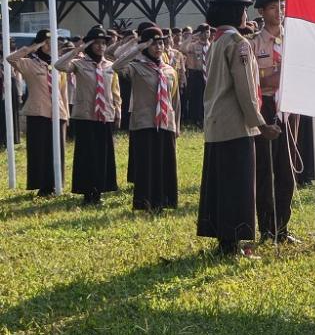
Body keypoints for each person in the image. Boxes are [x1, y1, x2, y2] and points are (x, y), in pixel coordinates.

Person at [196, 0, 281, 256]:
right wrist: (260, 123)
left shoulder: (217, 41)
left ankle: (224, 239)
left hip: (216, 123)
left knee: (221, 185)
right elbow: (245, 89)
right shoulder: (238, 44)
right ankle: (232, 242)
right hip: (235, 125)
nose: (246, 13)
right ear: (236, 12)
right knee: (237, 185)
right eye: (243, 8)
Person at [250, 0, 301, 244]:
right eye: (273, 8)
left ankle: (282, 227)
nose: (279, 12)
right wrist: (269, 77)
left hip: (289, 107)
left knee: (287, 168)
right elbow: (250, 79)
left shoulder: (292, 40)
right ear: (261, 11)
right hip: (266, 105)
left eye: (281, 7)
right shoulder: (253, 44)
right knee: (265, 167)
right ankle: (266, 227)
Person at [112, 26, 181, 213]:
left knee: (165, 163)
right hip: (144, 122)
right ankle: (146, 201)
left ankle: (165, 200)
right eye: (153, 44)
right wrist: (138, 47)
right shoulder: (135, 67)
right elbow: (116, 66)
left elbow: (175, 100)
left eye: (161, 43)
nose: (158, 47)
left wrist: (177, 124)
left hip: (166, 122)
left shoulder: (169, 70)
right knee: (147, 164)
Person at [55, 27, 121, 205]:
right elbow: (59, 65)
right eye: (96, 43)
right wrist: (78, 49)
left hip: (105, 115)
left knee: (103, 155)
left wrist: (118, 109)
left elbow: (115, 90)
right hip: (85, 115)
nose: (100, 46)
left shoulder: (110, 66)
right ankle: (86, 192)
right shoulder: (79, 63)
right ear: (89, 45)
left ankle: (99, 190)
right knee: (86, 155)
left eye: (103, 43)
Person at [6, 30, 69, 196]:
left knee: (57, 151)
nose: (49, 46)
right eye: (46, 42)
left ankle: (56, 183)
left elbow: (63, 92)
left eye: (51, 42)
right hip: (38, 113)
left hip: (58, 113)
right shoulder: (29, 63)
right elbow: (11, 59)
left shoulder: (58, 64)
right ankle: (42, 186)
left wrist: (66, 115)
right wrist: (32, 47)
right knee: (40, 151)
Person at [182, 24, 211, 126]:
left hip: (208, 74)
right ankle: (196, 118)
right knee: (197, 97)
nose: (205, 34)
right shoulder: (194, 45)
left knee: (207, 96)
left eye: (207, 32)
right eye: (203, 32)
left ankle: (206, 117)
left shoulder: (211, 46)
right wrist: (191, 37)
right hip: (197, 73)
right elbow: (183, 48)